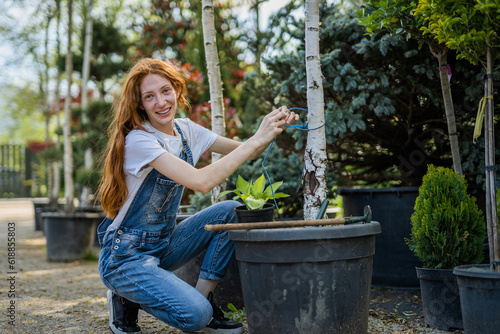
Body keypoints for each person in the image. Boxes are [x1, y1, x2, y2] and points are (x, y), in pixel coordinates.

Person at [97, 57, 299, 334]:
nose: (161, 102)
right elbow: (201, 182)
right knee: (194, 317)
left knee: (231, 210)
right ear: (139, 104)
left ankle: (203, 296)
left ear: (177, 90)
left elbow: (246, 149)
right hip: (125, 256)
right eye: (149, 96)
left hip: (162, 246)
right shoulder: (139, 140)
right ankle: (126, 294)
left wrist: (272, 128)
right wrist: (256, 139)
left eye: (165, 91)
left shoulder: (186, 130)